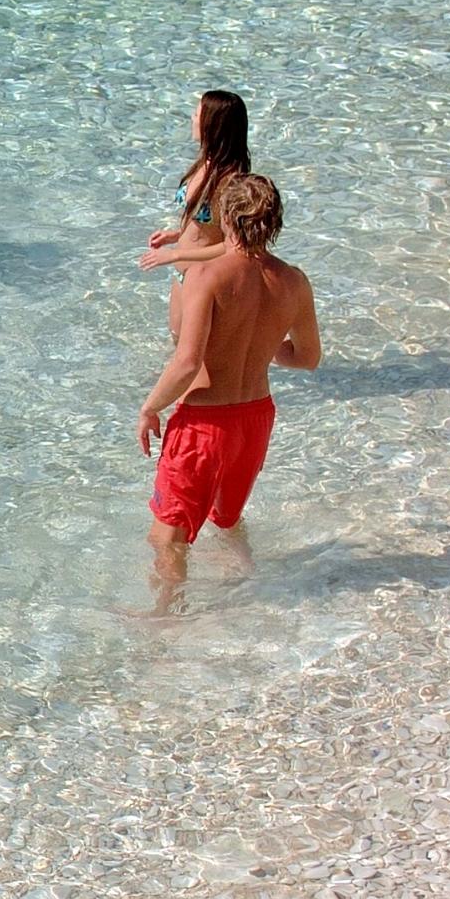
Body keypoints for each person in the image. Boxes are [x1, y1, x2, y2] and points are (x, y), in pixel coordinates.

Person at [135, 172, 320, 595]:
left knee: (168, 538)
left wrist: (150, 408)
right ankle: (249, 588)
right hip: (254, 421)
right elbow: (307, 357)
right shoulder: (294, 281)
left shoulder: (207, 276)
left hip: (204, 425)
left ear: (226, 218)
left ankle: (164, 619)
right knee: (227, 519)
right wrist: (262, 343)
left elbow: (187, 363)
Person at [137, 89, 251, 340]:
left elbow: (233, 246)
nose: (192, 118)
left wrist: (175, 254)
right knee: (177, 342)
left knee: (195, 354)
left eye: (197, 114)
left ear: (213, 124)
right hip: (184, 274)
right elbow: (208, 226)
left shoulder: (231, 182)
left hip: (205, 279)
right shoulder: (205, 164)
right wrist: (176, 235)